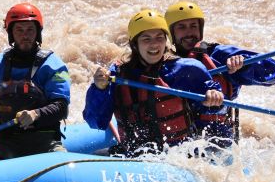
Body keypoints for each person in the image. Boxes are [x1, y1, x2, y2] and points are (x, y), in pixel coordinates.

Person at [83, 9, 224, 157]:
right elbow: (96, 122)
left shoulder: (186, 69)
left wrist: (213, 98)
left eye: (159, 37)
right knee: (94, 156)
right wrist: (99, 89)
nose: (154, 45)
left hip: (178, 155)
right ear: (135, 44)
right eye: (146, 39)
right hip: (132, 153)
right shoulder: (118, 74)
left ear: (166, 40)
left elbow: (215, 109)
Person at [165, 1, 275, 148]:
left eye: (193, 26)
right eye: (181, 27)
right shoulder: (162, 62)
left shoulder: (219, 55)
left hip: (219, 146)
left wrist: (245, 65)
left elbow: (273, 71)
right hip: (178, 148)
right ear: (171, 33)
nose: (189, 33)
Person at [0, 2, 70, 159]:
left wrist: (36, 114)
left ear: (37, 32)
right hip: (4, 141)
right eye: (19, 30)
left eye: (30, 30)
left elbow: (62, 108)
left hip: (44, 140)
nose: (25, 35)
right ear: (11, 33)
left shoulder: (54, 65)